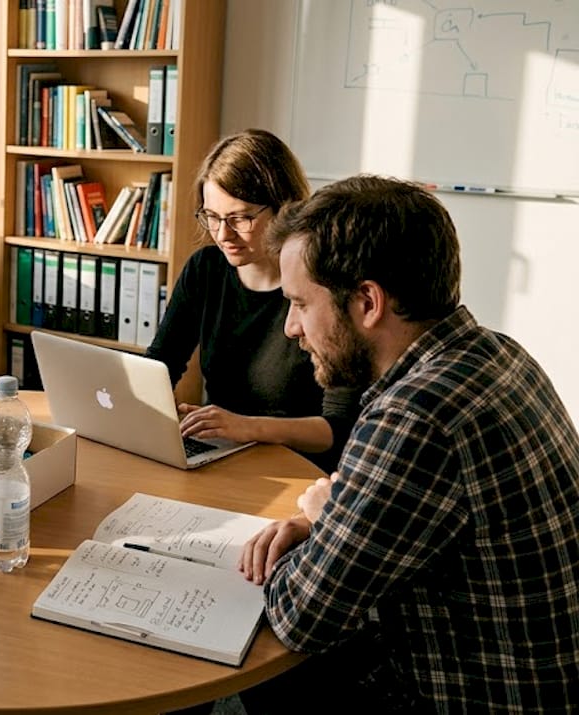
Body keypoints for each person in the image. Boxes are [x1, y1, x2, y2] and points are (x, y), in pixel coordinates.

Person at [239, 175, 579, 712]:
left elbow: (299, 614)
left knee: (261, 670)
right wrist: (330, 516)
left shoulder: (415, 415)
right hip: (544, 680)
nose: (291, 329)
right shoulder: (497, 354)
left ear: (368, 302)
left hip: (473, 697)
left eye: (301, 303)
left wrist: (326, 518)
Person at [144, 129, 359, 473]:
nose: (223, 234)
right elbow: (161, 363)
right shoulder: (206, 269)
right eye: (212, 217)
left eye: (240, 218)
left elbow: (340, 427)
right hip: (219, 457)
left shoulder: (323, 283)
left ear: (285, 206)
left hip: (296, 470)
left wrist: (249, 426)